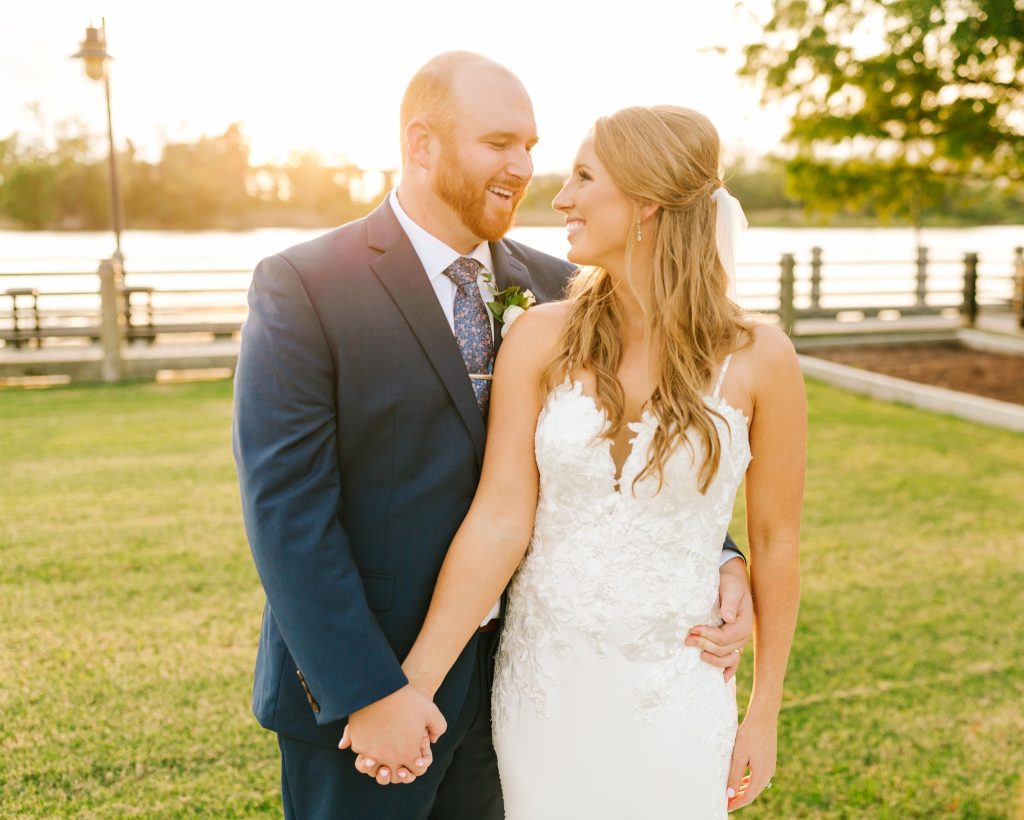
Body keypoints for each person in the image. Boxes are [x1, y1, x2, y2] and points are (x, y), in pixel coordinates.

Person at [233, 52, 753, 819]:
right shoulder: (306, 285)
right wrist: (371, 692)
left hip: (525, 685)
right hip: (372, 688)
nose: (525, 168)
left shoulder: (566, 287)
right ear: (422, 144)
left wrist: (721, 556)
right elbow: (286, 515)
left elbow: (636, 446)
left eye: (532, 147)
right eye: (500, 143)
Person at [369, 105, 805, 818]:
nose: (559, 196)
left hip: (678, 688)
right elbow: (501, 517)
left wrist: (765, 710)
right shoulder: (541, 336)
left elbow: (777, 543)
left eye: (582, 177)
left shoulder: (762, 358)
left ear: (647, 204)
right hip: (546, 688)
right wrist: (416, 683)